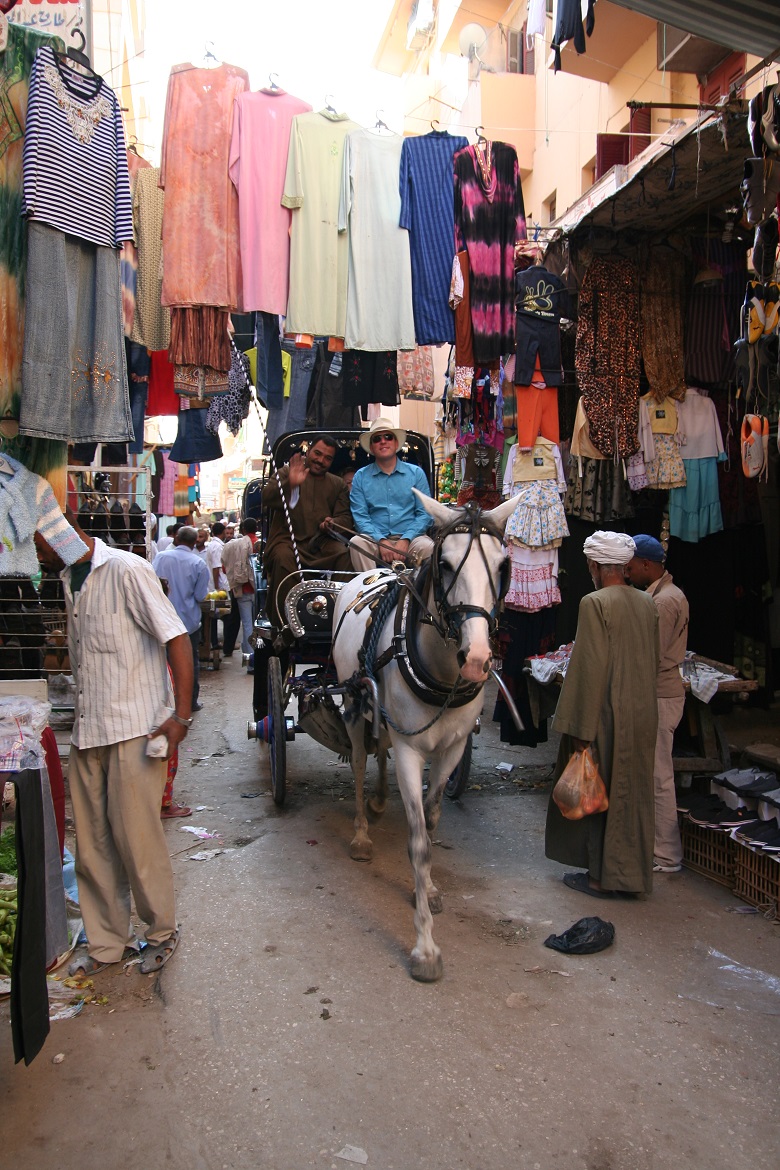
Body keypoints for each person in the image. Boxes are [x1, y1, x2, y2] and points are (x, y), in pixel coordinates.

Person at [34, 516, 195, 977]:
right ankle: (107, 942)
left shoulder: (126, 569)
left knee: (137, 840)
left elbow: (177, 637)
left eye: (37, 541)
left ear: (57, 533)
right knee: (93, 845)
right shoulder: (69, 578)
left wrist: (180, 717)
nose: (35, 552)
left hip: (134, 730)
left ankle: (162, 931)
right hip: (88, 733)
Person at [545, 531, 659, 898]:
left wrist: (578, 727)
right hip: (642, 709)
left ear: (594, 565)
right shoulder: (647, 603)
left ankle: (598, 879)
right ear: (625, 567)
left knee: (600, 795)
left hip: (607, 712)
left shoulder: (594, 603)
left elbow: (588, 669)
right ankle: (630, 876)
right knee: (633, 794)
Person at [625, 534, 689, 874]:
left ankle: (666, 853)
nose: (628, 573)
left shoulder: (664, 602)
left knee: (658, 775)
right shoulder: (660, 595)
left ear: (647, 566)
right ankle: (654, 846)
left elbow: (653, 653)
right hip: (660, 692)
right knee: (651, 773)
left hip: (661, 694)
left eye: (632, 568)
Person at [261, 433, 352, 627]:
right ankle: (285, 625)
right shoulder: (287, 472)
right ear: (309, 450)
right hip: (287, 540)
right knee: (283, 559)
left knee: (343, 554)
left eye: (328, 458)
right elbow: (267, 497)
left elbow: (345, 518)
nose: (321, 460)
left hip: (321, 543)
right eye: (317, 453)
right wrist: (291, 483)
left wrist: (332, 522)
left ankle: (339, 621)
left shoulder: (337, 484)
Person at [349, 418, 434, 571]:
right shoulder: (360, 477)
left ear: (396, 443)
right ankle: (372, 592)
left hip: (412, 538)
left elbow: (425, 514)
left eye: (388, 437)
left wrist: (406, 539)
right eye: (377, 439)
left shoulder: (415, 474)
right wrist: (381, 540)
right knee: (357, 543)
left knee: (428, 547)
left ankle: (422, 594)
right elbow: (360, 517)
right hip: (374, 540)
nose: (383, 441)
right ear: (371, 447)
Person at [153, 525, 210, 715]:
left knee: (161, 661)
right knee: (188, 661)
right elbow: (201, 596)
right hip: (187, 621)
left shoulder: (160, 557)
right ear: (195, 542)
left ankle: (163, 701)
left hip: (162, 618)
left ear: (176, 538)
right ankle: (190, 701)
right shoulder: (198, 563)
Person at [221, 517, 258, 660]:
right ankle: (257, 658)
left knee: (247, 624)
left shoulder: (234, 546)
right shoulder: (261, 544)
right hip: (259, 591)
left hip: (243, 591)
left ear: (243, 530)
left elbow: (225, 569)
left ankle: (249, 659)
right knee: (258, 625)